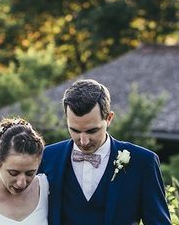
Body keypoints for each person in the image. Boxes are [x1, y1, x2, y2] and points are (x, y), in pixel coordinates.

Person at [38, 79, 171, 225]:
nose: (83, 141)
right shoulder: (46, 157)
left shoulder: (143, 162)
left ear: (109, 118)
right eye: (75, 130)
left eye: (92, 130)